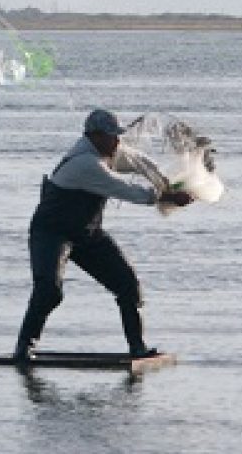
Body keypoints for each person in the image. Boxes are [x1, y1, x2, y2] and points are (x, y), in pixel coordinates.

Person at [13, 109, 193, 363]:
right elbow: (124, 188)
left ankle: (138, 349)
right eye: (112, 137)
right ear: (94, 136)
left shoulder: (107, 151)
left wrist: (165, 183)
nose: (117, 142)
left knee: (127, 285)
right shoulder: (85, 163)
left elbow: (140, 162)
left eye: (118, 136)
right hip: (52, 233)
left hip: (87, 234)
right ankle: (23, 349)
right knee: (49, 291)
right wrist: (164, 197)